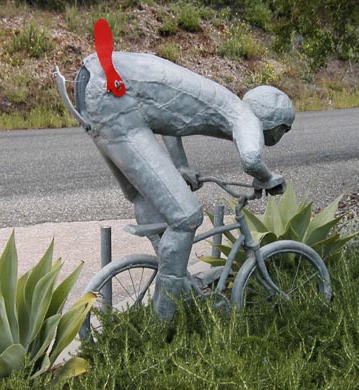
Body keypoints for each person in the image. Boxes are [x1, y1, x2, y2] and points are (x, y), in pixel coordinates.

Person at [73, 51, 295, 320]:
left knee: (144, 198)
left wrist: (181, 165)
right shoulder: (244, 116)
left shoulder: (223, 99)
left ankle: (177, 281)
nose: (281, 135)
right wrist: (268, 178)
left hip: (94, 88)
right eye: (284, 130)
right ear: (276, 124)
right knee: (187, 217)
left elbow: (168, 119)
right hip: (115, 95)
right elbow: (251, 159)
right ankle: (163, 320)